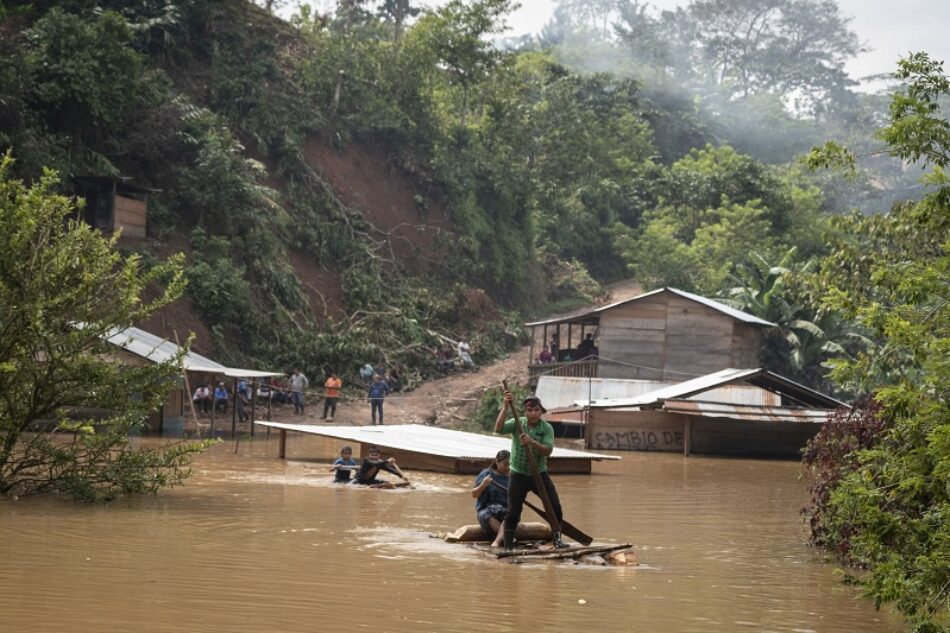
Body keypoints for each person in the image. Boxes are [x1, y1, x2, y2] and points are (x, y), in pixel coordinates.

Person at [494, 392, 567, 550]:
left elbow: (548, 451)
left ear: (541, 411)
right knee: (513, 511)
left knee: (554, 506)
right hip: (518, 473)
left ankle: (557, 539)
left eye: (536, 410)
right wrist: (506, 406)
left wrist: (531, 442)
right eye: (530, 410)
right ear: (525, 412)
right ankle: (507, 546)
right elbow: (498, 428)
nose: (533, 413)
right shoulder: (518, 423)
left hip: (538, 473)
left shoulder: (546, 428)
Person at [471, 449, 511, 547]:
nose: (508, 467)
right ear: (497, 462)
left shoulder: (512, 477)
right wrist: (483, 485)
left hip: (504, 514)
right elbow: (474, 494)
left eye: (510, 464)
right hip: (487, 513)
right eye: (505, 464)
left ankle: (497, 542)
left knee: (511, 515)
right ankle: (508, 538)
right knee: (487, 514)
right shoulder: (486, 474)